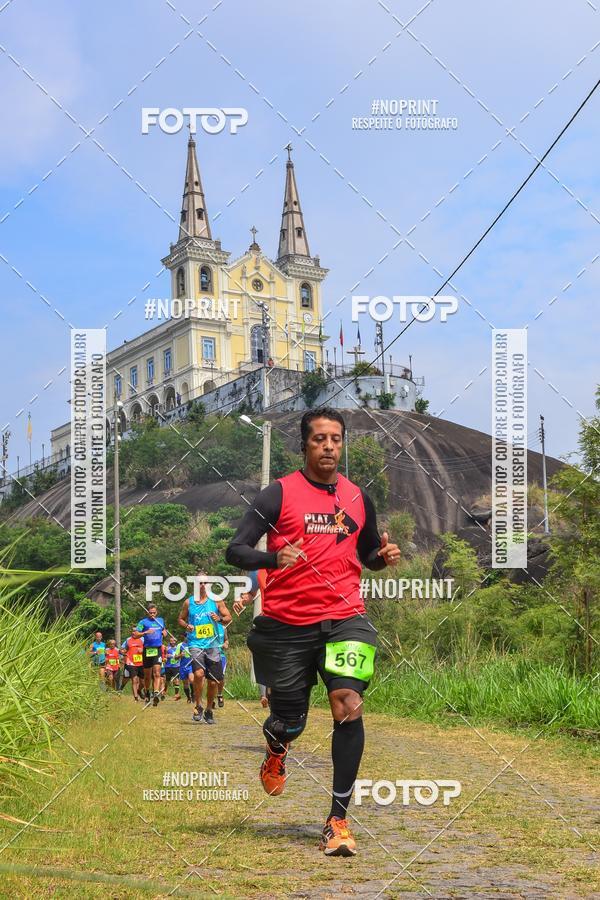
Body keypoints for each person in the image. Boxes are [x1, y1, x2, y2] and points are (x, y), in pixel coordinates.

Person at [225, 407, 400, 857]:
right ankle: (278, 746)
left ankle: (338, 819)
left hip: (345, 618)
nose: (329, 446)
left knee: (347, 705)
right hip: (287, 625)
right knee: (291, 721)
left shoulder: (359, 498)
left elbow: (368, 554)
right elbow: (236, 550)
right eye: (320, 438)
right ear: (305, 445)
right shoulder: (277, 494)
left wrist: (383, 558)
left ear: (343, 444)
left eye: (336, 439)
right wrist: (273, 559)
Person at [178, 571, 232, 725]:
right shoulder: (189, 602)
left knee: (214, 681)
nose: (202, 585)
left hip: (213, 645)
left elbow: (228, 617)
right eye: (199, 583)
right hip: (195, 644)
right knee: (198, 674)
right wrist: (186, 625)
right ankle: (198, 706)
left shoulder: (216, 601)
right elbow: (180, 619)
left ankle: (209, 709)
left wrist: (219, 619)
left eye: (205, 583)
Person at [134, 604, 167, 707]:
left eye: (154, 612)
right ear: (147, 612)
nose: (152, 614)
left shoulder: (160, 620)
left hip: (157, 649)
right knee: (147, 676)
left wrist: (164, 633)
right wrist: (145, 632)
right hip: (147, 650)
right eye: (150, 612)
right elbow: (135, 635)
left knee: (157, 673)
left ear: (156, 613)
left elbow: (164, 630)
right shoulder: (143, 622)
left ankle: (156, 692)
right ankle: (148, 693)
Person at [120, 627, 144, 701]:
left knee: (143, 682)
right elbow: (122, 649)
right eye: (132, 631)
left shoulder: (143, 639)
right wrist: (122, 652)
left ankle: (139, 690)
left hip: (141, 663)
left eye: (135, 631)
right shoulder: (128, 640)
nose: (134, 632)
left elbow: (148, 648)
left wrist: (143, 650)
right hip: (131, 663)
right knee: (134, 680)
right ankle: (136, 698)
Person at [175, 635, 194, 703]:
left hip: (190, 666)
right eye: (186, 636)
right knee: (185, 684)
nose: (187, 637)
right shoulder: (180, 645)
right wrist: (180, 655)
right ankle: (188, 697)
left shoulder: (192, 644)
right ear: (184, 637)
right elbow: (175, 657)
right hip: (183, 667)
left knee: (192, 680)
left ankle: (193, 694)